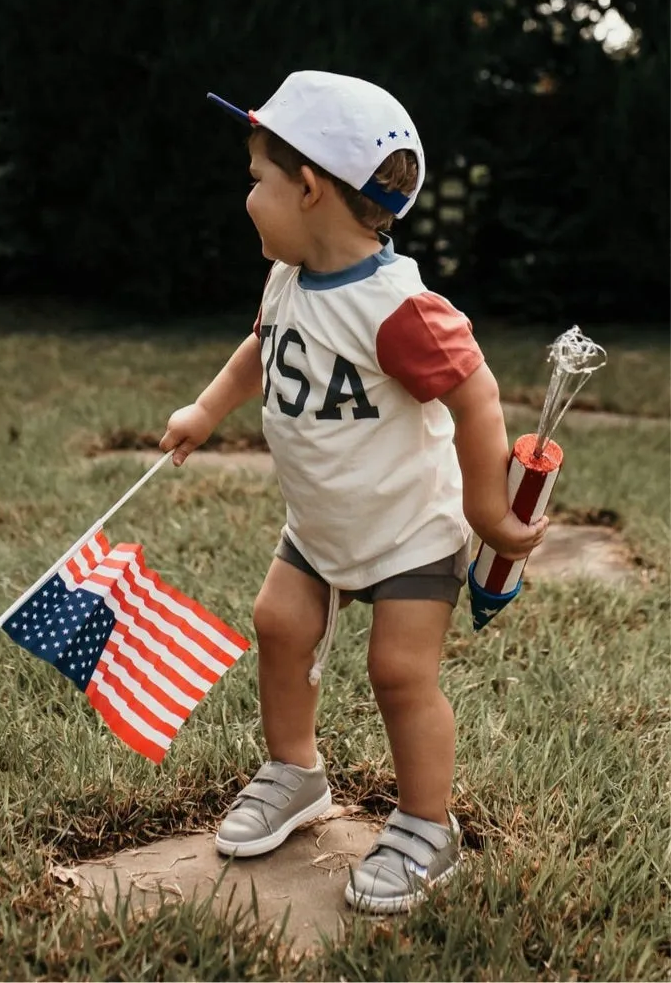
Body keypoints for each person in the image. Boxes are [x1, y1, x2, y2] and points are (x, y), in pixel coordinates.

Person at [159, 71, 547, 915]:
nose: (248, 195)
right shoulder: (288, 280)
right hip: (321, 523)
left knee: (398, 671)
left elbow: (475, 396)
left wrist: (486, 509)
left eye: (257, 178)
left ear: (308, 190)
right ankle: (296, 772)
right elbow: (261, 350)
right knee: (278, 625)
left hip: (409, 531)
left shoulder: (398, 309)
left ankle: (424, 824)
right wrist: (206, 409)